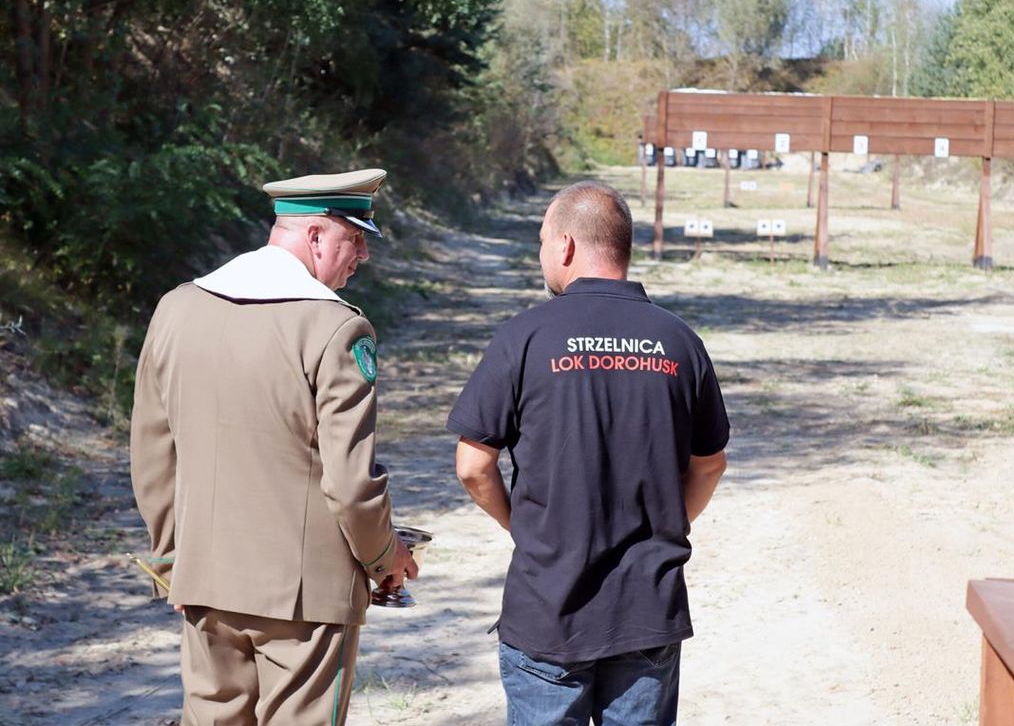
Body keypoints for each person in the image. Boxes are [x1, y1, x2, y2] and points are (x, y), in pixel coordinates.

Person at [130, 168, 418, 725]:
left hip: (205, 577)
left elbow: (151, 451)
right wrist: (386, 557)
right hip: (305, 599)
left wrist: (172, 557)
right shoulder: (336, 328)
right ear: (314, 236)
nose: (364, 255)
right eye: (354, 239)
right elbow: (351, 484)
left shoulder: (176, 307)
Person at [446, 180, 730, 725]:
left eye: (542, 242)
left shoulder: (524, 337)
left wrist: (523, 529)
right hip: (647, 608)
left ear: (567, 247)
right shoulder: (679, 341)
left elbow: (473, 465)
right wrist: (666, 523)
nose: (541, 256)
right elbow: (710, 462)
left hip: (548, 609)